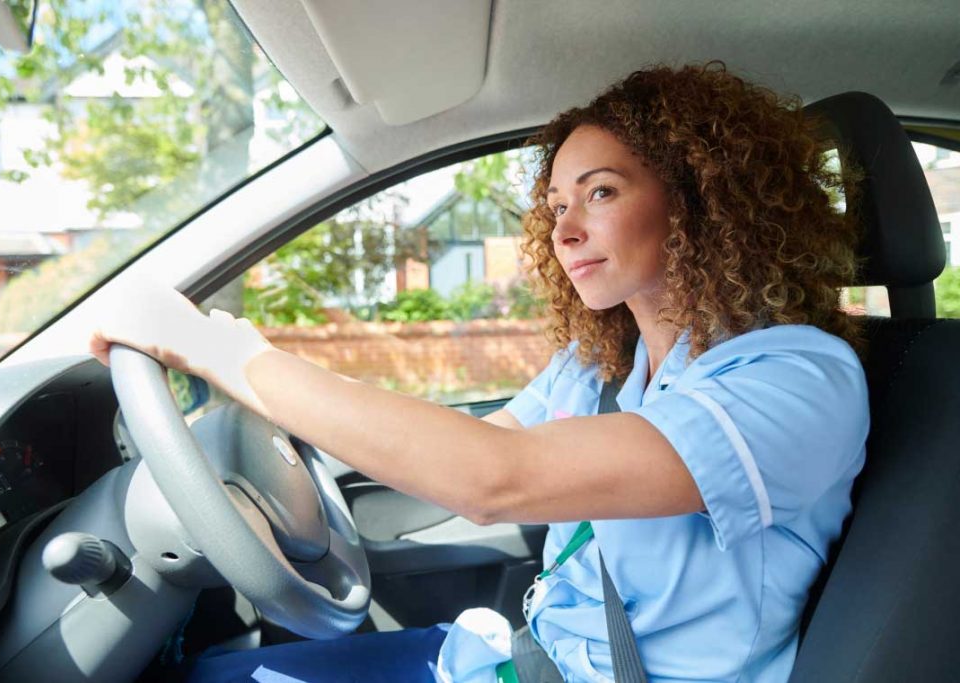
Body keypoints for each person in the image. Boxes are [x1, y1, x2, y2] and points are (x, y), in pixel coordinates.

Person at [91, 63, 869, 682]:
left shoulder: (797, 378)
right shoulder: (605, 361)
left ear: (699, 201)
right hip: (525, 661)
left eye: (600, 192)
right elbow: (470, 442)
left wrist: (229, 355)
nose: (564, 229)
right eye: (557, 203)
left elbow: (496, 477)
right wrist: (277, 426)